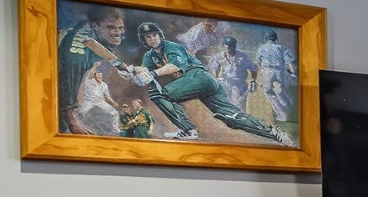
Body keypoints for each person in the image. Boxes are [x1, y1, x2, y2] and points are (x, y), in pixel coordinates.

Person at [124, 21, 295, 146]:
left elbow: (175, 66)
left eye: (154, 35)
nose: (152, 39)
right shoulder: (149, 56)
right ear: (144, 40)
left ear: (159, 35)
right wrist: (130, 70)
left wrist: (153, 73)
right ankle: (273, 132)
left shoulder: (171, 47)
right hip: (206, 84)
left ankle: (188, 130)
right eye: (148, 37)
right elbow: (143, 69)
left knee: (159, 93)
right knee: (232, 118)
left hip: (199, 77)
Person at [57, 5, 128, 134]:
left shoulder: (91, 29)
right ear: (95, 26)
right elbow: (67, 82)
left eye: (120, 27)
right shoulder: (77, 57)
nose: (118, 33)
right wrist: (72, 122)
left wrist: (119, 65)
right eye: (111, 27)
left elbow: (98, 47)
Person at [207, 36, 257, 107]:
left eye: (230, 45)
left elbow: (253, 69)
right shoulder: (219, 56)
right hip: (225, 84)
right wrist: (216, 78)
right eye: (226, 44)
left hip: (239, 85)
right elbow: (214, 68)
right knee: (225, 106)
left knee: (238, 107)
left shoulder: (242, 57)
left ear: (234, 46)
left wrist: (253, 81)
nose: (227, 46)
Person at [77, 66, 121, 131]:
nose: (99, 77)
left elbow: (107, 96)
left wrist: (113, 102)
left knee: (114, 113)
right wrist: (95, 66)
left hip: (100, 102)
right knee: (81, 112)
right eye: (98, 75)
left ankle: (115, 128)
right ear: (94, 76)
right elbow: (89, 74)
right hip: (89, 101)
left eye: (100, 75)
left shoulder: (104, 85)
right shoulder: (89, 81)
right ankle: (78, 126)